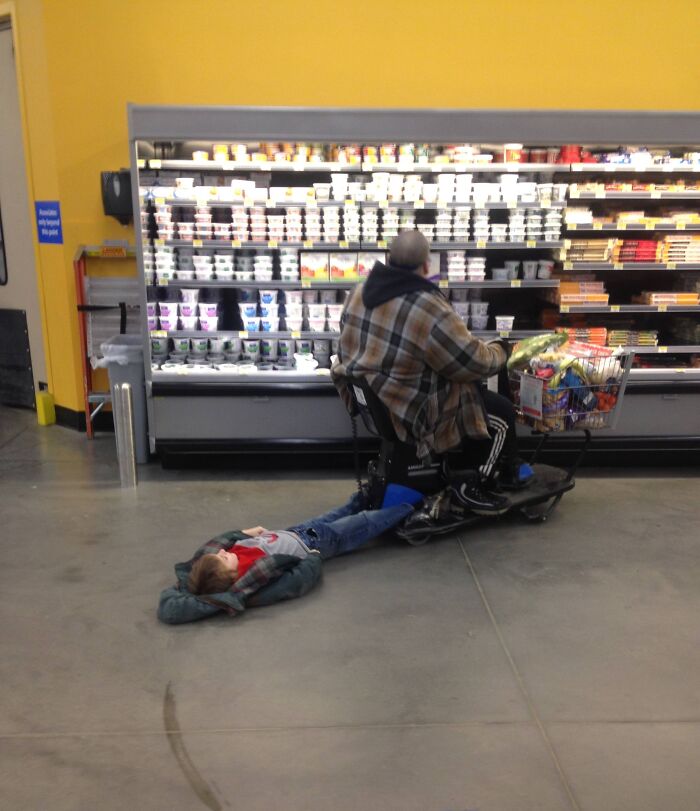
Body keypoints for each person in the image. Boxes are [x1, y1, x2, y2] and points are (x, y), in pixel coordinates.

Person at [331, 230, 531, 523]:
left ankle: (448, 474)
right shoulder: (428, 305)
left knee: (469, 394)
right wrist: (502, 351)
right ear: (427, 265)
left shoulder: (358, 292)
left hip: (376, 400)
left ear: (389, 258)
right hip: (412, 409)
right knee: (500, 414)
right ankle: (470, 484)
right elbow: (471, 362)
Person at [157, 490, 416, 624]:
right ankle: (412, 507)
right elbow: (294, 582)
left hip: (295, 531)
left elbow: (219, 543)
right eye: (224, 559)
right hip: (313, 543)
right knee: (360, 524)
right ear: (230, 575)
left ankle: (367, 496)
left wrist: (245, 532)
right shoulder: (250, 584)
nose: (223, 552)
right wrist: (313, 557)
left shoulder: (222, 560)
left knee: (340, 512)